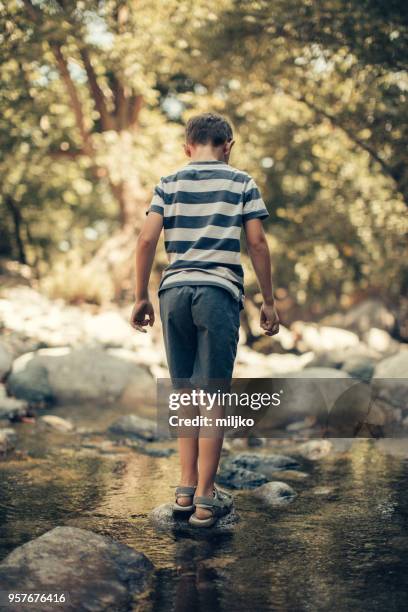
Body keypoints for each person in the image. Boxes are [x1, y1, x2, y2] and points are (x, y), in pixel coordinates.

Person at [130, 112, 279, 527]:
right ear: (228, 146)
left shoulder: (168, 182)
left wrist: (140, 295)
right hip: (217, 292)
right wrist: (268, 301)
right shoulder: (241, 182)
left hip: (173, 292)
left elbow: (146, 239)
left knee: (184, 394)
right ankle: (205, 497)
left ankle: (183, 488)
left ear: (187, 147)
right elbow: (257, 244)